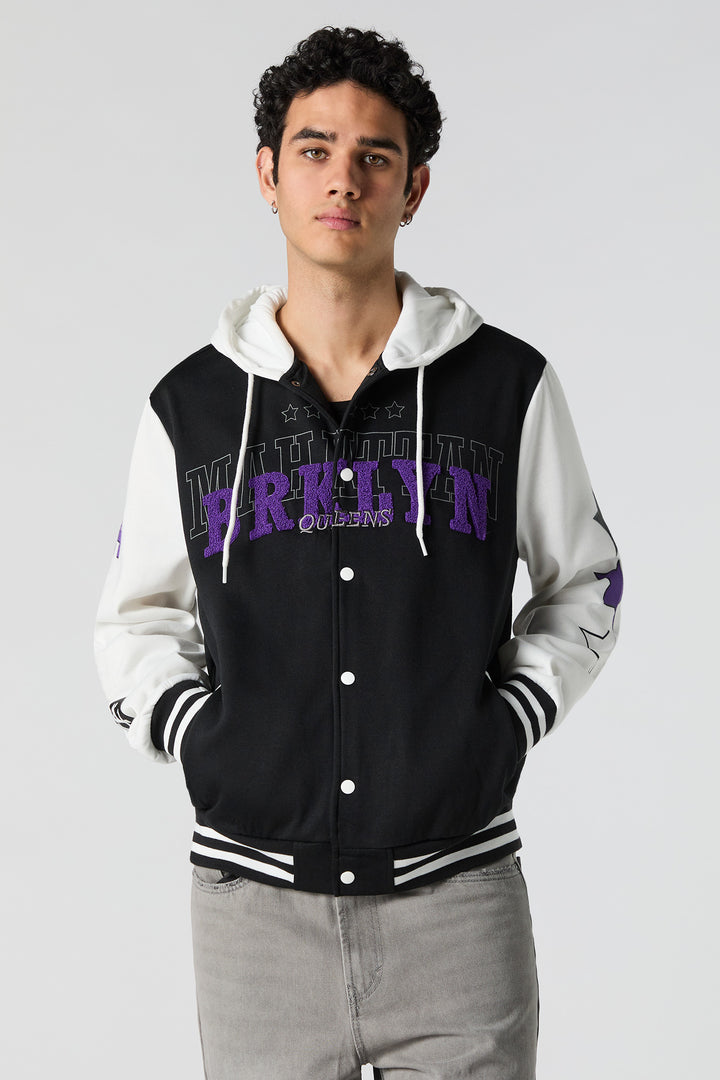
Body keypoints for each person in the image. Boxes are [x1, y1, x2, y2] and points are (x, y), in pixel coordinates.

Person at [95, 25, 622, 1080]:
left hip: (457, 904)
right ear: (269, 175)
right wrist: (202, 740)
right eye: (316, 150)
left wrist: (507, 723)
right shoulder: (192, 407)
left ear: (413, 188)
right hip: (254, 921)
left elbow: (588, 582)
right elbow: (134, 617)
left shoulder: (503, 387)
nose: (344, 179)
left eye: (376, 156)